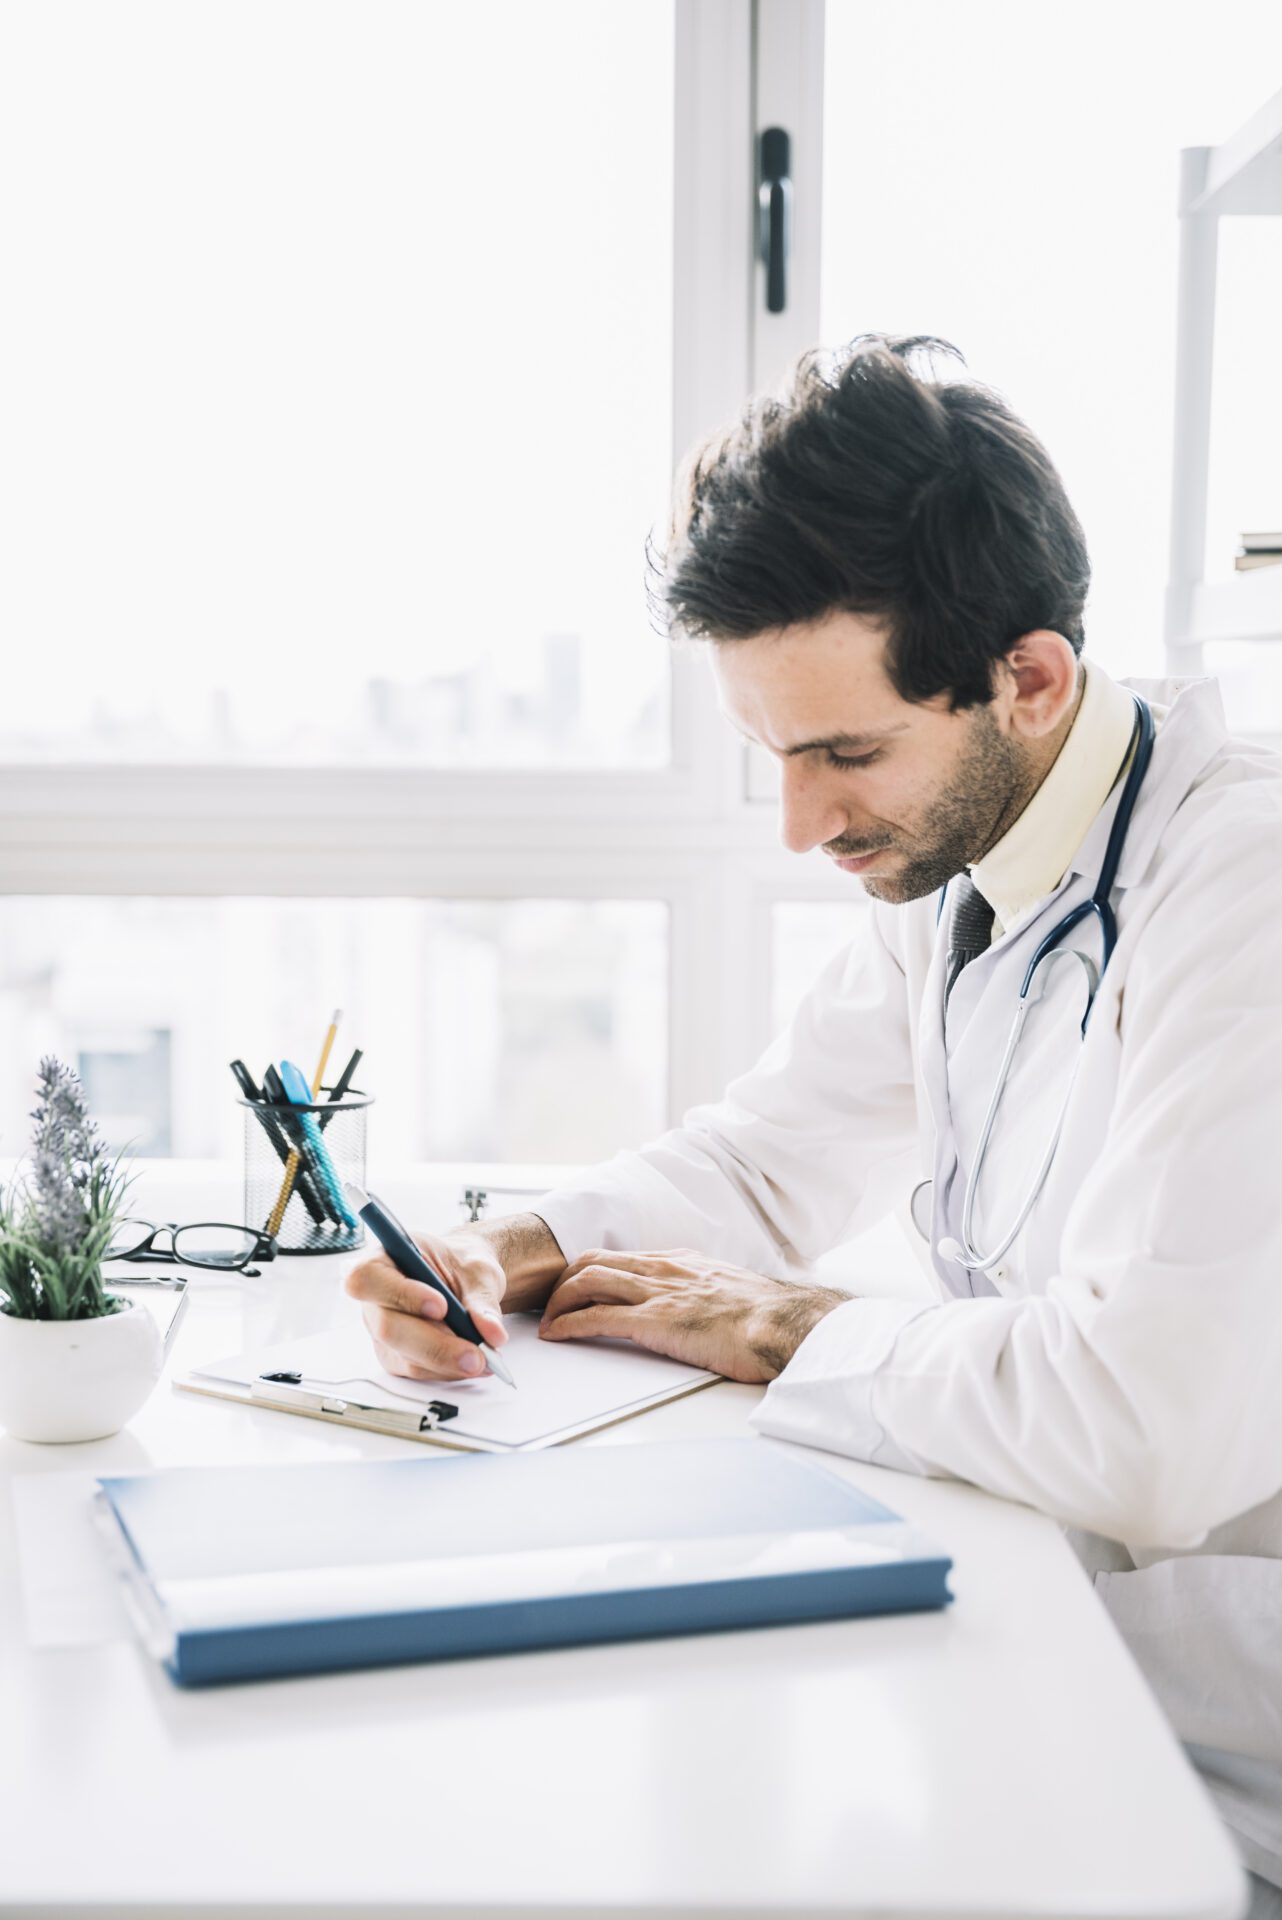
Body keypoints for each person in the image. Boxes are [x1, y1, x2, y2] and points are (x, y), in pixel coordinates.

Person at [346, 335, 1282, 1909]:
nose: (801, 825)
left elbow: (1147, 1430)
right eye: (773, 756)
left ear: (1028, 678)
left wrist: (792, 1331)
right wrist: (506, 1251)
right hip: (1077, 1631)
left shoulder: (1241, 883)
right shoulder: (977, 854)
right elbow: (775, 1149)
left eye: (845, 753)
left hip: (1231, 1725)